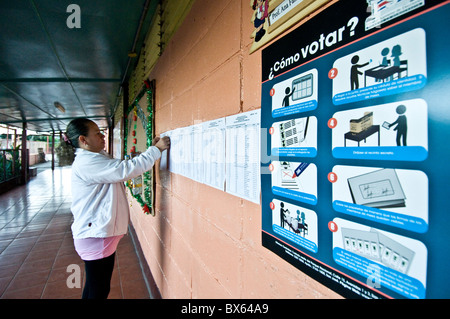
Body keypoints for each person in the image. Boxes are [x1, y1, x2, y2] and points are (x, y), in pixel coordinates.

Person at [64, 118, 170, 299]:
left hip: (96, 234)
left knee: (94, 287)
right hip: (95, 235)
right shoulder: (87, 163)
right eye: (97, 133)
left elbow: (119, 168)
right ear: (83, 139)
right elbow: (124, 170)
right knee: (98, 290)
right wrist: (156, 150)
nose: (102, 136)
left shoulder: (95, 158)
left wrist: (150, 152)